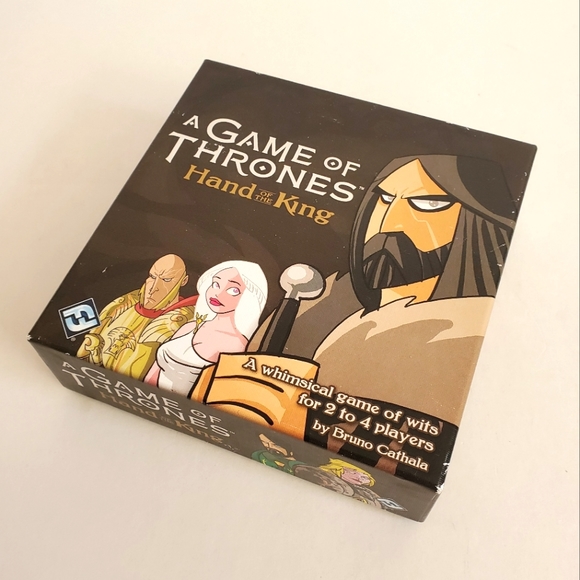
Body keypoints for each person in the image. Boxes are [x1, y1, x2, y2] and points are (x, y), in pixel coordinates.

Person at [145, 260, 268, 397]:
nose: (218, 293)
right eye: (216, 284)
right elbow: (154, 371)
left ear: (248, 298)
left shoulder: (239, 346)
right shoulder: (190, 327)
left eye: (233, 290)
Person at [77, 254, 196, 381]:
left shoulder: (184, 322)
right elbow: (82, 357)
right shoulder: (123, 303)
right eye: (152, 276)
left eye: (166, 280)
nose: (154, 288)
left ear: (183, 281)